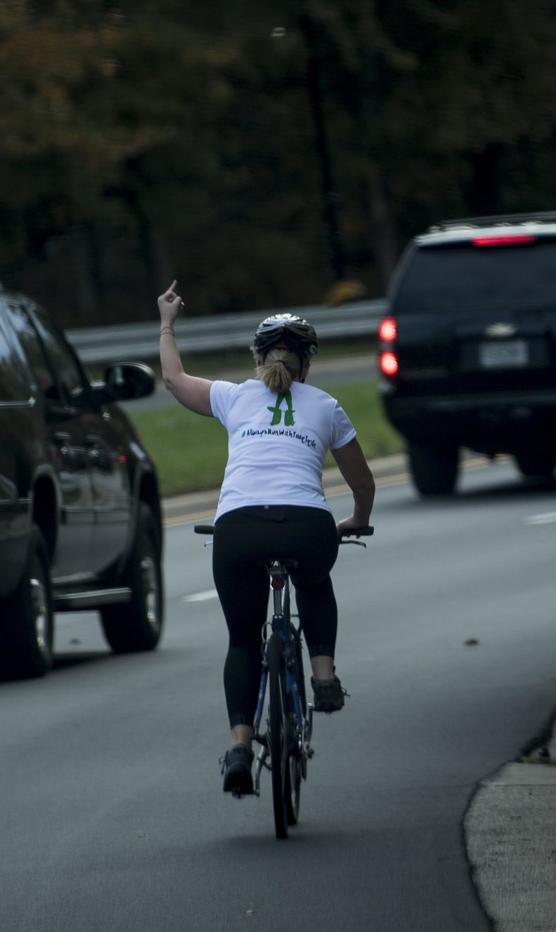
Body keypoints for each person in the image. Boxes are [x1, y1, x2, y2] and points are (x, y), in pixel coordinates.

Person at [156, 280, 376, 796]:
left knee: (241, 639)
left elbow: (173, 379)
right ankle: (323, 675)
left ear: (258, 358)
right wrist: (358, 518)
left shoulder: (233, 397)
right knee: (315, 580)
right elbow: (361, 481)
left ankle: (238, 745)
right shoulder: (326, 405)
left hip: (238, 527)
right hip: (306, 525)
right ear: (308, 364)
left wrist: (167, 322)